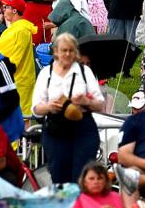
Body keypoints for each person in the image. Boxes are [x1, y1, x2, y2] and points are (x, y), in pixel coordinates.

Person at [32, 33, 106, 184]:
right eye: (64, 50)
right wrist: (49, 107)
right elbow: (35, 108)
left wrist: (85, 101)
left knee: (82, 175)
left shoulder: (85, 72)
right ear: (56, 52)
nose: (67, 54)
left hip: (82, 127)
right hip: (56, 128)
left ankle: (81, 206)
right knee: (59, 175)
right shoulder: (46, 74)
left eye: (71, 50)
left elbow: (100, 104)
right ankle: (65, 205)